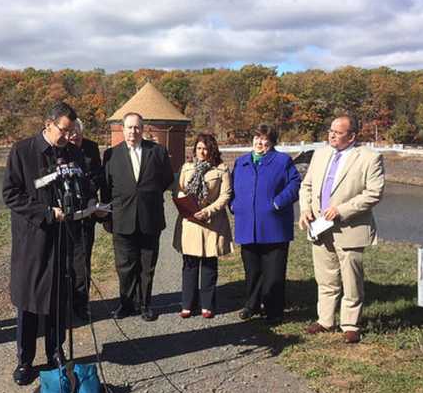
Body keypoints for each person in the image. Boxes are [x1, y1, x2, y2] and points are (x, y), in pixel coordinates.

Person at [3, 102, 97, 386]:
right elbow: (11, 194)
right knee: (30, 303)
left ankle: (55, 352)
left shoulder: (73, 153)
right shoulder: (22, 151)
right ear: (48, 124)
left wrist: (88, 202)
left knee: (58, 299)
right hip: (33, 241)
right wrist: (45, 213)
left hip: (63, 238)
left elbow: (85, 185)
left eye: (71, 131)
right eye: (64, 130)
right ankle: (25, 361)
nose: (68, 136)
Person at [298, 114, 384, 344]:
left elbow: (374, 193)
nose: (332, 134)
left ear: (352, 136)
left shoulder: (370, 158)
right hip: (319, 227)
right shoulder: (321, 153)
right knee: (325, 278)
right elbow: (306, 185)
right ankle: (325, 320)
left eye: (338, 132)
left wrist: (342, 210)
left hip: (350, 228)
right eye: (330, 130)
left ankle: (351, 324)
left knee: (351, 280)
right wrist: (305, 209)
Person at [102, 112, 174, 322]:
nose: (133, 131)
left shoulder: (158, 152)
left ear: (143, 129)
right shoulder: (111, 155)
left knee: (147, 265)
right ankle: (126, 304)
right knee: (124, 266)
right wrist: (107, 216)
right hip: (122, 218)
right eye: (129, 127)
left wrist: (147, 196)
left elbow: (166, 180)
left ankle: (145, 304)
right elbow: (106, 188)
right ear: (123, 129)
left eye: (137, 127)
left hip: (149, 218)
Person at [230, 124, 301, 324]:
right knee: (252, 271)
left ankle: (274, 310)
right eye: (257, 138)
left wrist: (278, 202)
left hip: (274, 226)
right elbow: (231, 187)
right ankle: (251, 304)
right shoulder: (241, 162)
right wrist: (233, 205)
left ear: (271, 142)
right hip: (247, 225)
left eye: (264, 139)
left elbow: (295, 185)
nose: (259, 143)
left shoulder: (282, 161)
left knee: (274, 272)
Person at [173, 134, 233, 319]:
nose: (202, 152)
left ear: (212, 150)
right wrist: (184, 204)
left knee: (208, 264)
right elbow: (179, 189)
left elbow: (226, 195)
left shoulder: (221, 169)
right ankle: (187, 304)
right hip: (190, 221)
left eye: (205, 148)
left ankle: (207, 304)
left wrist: (207, 211)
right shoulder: (187, 167)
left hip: (211, 223)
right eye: (199, 148)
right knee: (189, 264)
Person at [67, 118, 103, 318]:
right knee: (65, 261)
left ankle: (81, 305)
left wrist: (90, 193)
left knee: (82, 262)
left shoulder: (91, 148)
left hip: (86, 213)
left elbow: (98, 175)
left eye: (77, 134)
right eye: (71, 134)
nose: (74, 138)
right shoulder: (61, 149)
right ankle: (65, 302)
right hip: (65, 214)